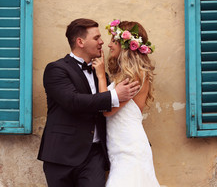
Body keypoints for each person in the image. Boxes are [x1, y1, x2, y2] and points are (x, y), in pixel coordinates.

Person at [37, 18, 141, 187]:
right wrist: (114, 96)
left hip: (94, 156)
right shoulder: (56, 69)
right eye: (96, 38)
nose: (102, 42)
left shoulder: (101, 74)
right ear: (80, 42)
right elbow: (73, 101)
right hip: (61, 156)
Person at [92, 19, 160, 187]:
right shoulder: (126, 74)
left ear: (126, 45)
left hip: (129, 148)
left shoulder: (135, 75)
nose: (109, 45)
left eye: (114, 41)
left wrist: (101, 75)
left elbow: (106, 109)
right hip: (118, 147)